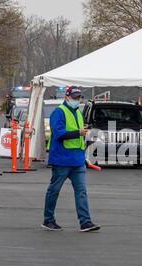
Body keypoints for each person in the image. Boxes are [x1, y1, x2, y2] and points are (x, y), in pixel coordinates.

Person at [43, 86, 100, 233]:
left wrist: (87, 139)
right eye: (75, 97)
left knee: (81, 192)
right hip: (62, 159)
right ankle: (48, 220)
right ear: (67, 97)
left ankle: (85, 222)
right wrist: (79, 133)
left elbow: (78, 137)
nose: (77, 100)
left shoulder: (78, 114)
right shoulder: (59, 112)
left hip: (77, 160)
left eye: (79, 97)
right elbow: (59, 134)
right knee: (54, 190)